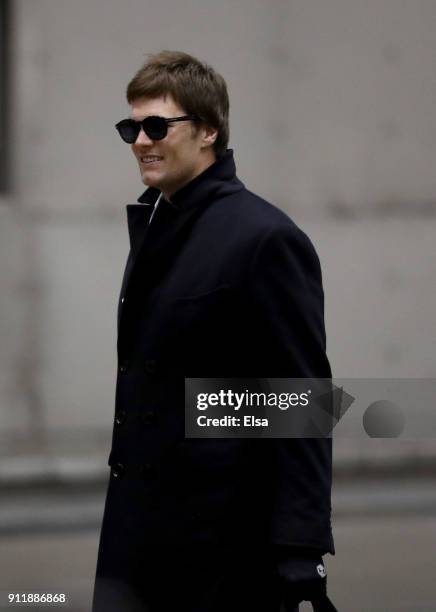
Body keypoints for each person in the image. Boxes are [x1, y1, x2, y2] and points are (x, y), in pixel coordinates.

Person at [92, 50, 337, 612]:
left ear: (207, 130)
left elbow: (300, 402)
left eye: (158, 125)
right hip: (136, 533)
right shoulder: (157, 223)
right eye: (131, 127)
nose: (140, 140)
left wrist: (299, 552)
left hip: (219, 547)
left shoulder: (264, 238)